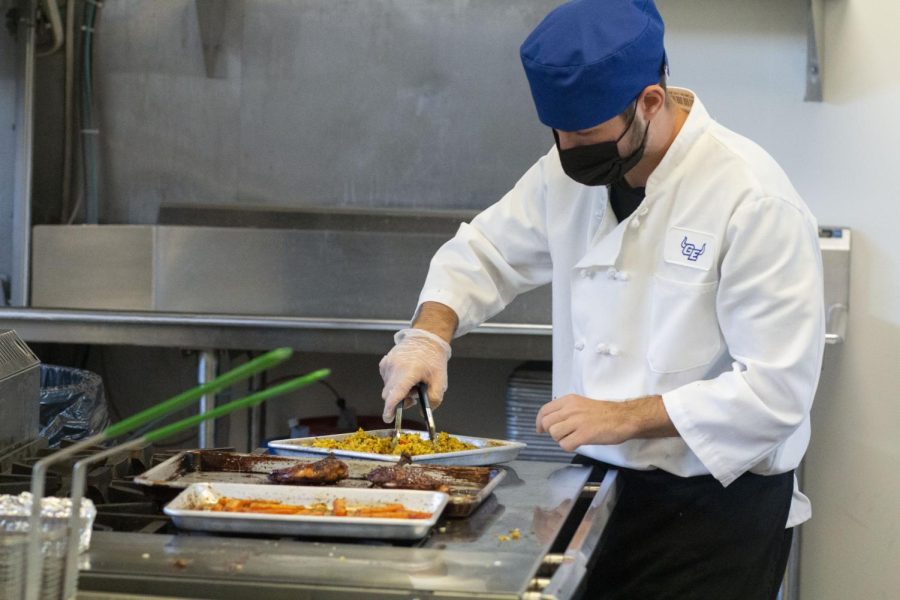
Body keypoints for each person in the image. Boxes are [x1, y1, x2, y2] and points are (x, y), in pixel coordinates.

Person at [379, 0, 825, 598]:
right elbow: (483, 251)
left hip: (715, 511)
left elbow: (776, 392)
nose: (568, 150)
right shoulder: (566, 170)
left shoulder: (752, 199)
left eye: (585, 133)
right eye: (558, 132)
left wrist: (623, 416)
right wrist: (428, 335)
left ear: (649, 101)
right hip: (596, 488)